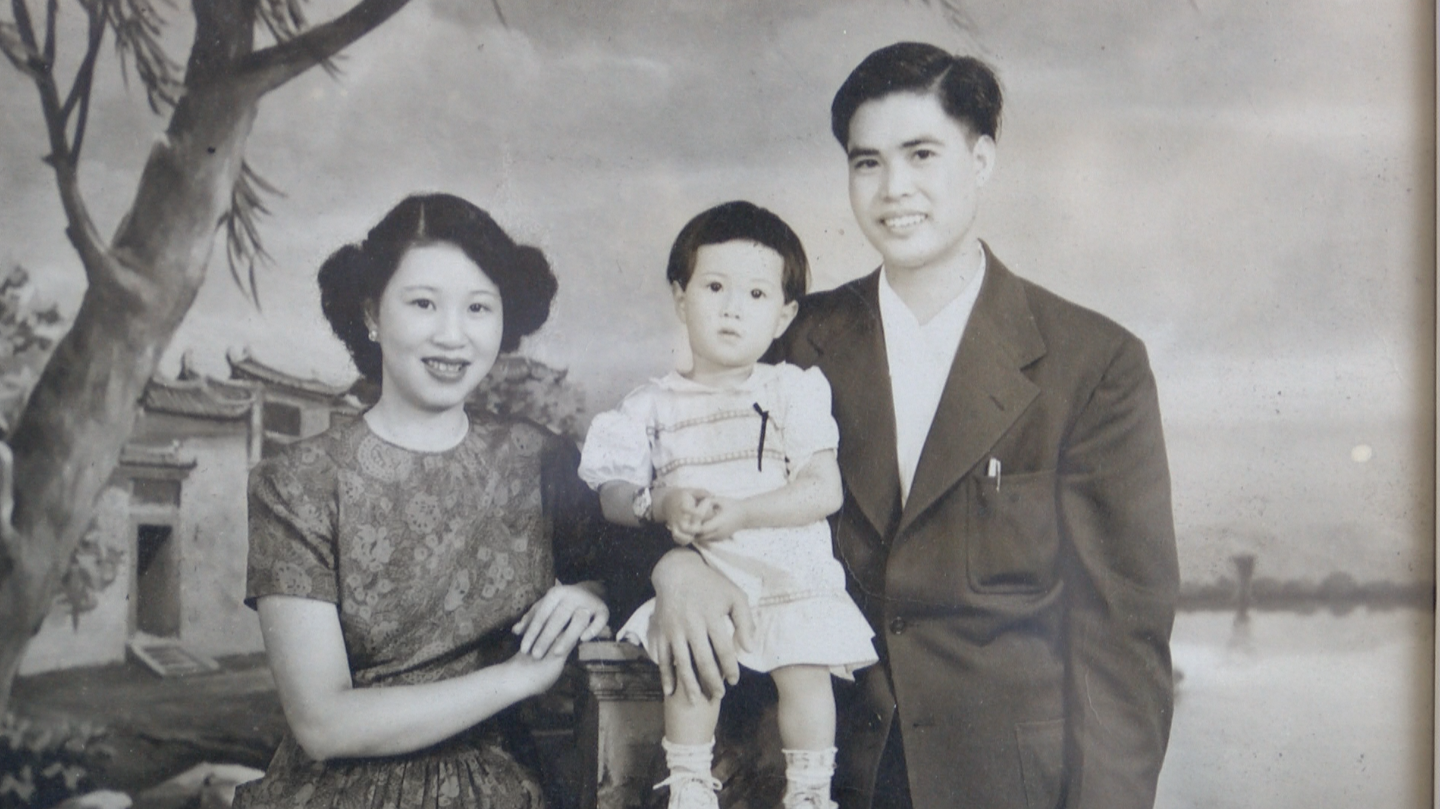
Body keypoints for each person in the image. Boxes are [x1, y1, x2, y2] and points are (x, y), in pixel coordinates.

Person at [646, 43, 1179, 809]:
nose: (894, 189)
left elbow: (1123, 647)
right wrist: (678, 566)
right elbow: (662, 467)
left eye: (921, 154)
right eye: (867, 163)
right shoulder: (794, 341)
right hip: (816, 777)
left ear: (982, 158)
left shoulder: (1093, 364)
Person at [235, 193, 611, 809]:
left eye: (478, 307)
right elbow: (323, 723)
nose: (453, 336)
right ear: (372, 314)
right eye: (423, 303)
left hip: (511, 786)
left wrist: (591, 592)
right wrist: (518, 677)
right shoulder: (296, 481)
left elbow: (620, 569)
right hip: (340, 792)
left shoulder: (542, 460)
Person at [578, 201, 877, 809]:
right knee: (693, 661)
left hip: (783, 556)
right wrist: (659, 503)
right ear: (680, 295)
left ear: (784, 312)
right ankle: (689, 781)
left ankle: (811, 791)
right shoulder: (651, 404)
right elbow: (611, 495)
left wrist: (743, 512)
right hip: (706, 567)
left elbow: (823, 489)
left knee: (805, 666)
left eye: (757, 294)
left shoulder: (791, 389)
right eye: (714, 286)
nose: (733, 308)